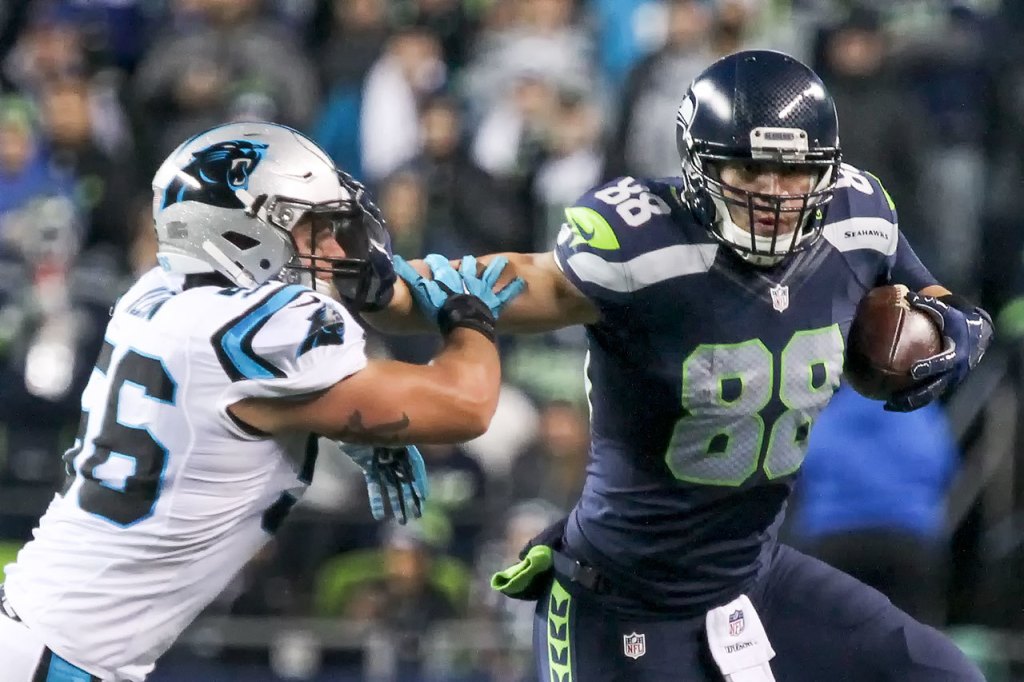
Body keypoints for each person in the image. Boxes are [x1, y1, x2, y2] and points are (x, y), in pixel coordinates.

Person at [375, 51, 992, 680]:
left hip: (753, 577)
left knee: (944, 672)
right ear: (700, 166)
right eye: (751, 169)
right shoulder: (643, 244)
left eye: (795, 172)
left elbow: (940, 303)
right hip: (621, 601)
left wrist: (957, 335)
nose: (776, 194)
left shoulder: (857, 218)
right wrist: (374, 290)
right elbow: (509, 282)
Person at [0, 121, 523, 681]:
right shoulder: (266, 327)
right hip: (59, 662)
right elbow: (467, 405)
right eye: (308, 229)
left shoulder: (153, 293)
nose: (332, 246)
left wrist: (351, 425)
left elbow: (220, 418)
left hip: (36, 637)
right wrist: (470, 316)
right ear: (238, 237)